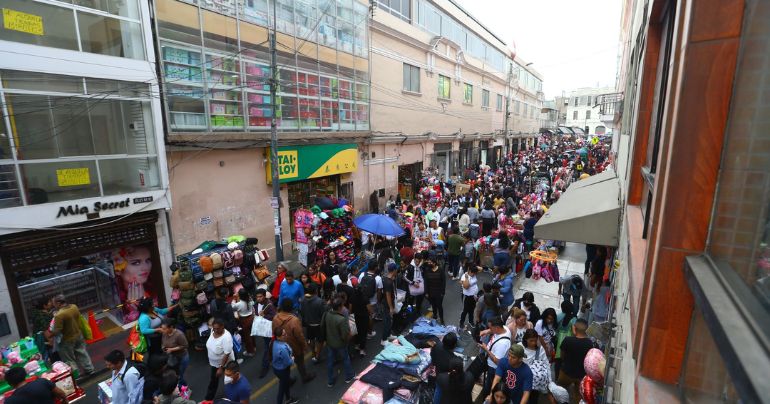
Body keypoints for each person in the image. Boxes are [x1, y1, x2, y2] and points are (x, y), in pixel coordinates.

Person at [50, 294, 94, 378]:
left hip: (67, 339)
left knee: (69, 359)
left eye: (54, 303)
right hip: (78, 334)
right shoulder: (74, 307)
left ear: (59, 303)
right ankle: (89, 369)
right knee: (82, 353)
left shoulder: (59, 315)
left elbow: (57, 330)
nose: (53, 305)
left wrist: (51, 334)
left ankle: (76, 375)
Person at [272, 298, 315, 383]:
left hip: (281, 346)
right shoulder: (294, 320)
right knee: (300, 362)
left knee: (285, 364)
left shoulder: (275, 317)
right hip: (294, 347)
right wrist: (305, 346)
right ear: (291, 308)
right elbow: (300, 336)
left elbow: (274, 331)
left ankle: (288, 380)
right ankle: (304, 377)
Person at [112, 245, 155, 323]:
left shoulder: (155, 287)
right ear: (118, 270)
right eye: (136, 263)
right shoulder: (115, 298)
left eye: (148, 260)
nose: (145, 267)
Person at [557, 319, 595, 404]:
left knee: (559, 391)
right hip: (581, 375)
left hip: (566, 372)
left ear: (574, 328)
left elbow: (562, 356)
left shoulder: (567, 340)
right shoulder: (589, 343)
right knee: (578, 396)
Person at [477, 316, 512, 403]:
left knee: (490, 385)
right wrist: (486, 331)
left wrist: (486, 349)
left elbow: (497, 361)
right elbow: (492, 330)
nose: (489, 329)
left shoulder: (503, 344)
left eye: (490, 327)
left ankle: (488, 399)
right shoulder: (505, 329)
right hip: (491, 365)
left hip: (493, 368)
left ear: (497, 328)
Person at [321, 298, 354, 387]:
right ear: (339, 307)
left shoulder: (327, 314)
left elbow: (322, 326)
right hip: (340, 344)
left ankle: (330, 381)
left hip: (330, 342)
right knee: (346, 359)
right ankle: (349, 376)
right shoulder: (341, 319)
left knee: (330, 361)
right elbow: (345, 335)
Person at [205, 318, 235, 401]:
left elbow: (227, 353)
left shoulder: (226, 338)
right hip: (214, 364)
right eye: (214, 328)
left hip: (225, 364)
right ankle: (208, 399)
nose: (215, 330)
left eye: (217, 328)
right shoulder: (213, 331)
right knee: (213, 381)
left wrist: (221, 368)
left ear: (222, 327)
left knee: (229, 380)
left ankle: (233, 396)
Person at [272, 328, 300, 404]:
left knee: (285, 381)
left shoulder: (275, 342)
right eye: (284, 335)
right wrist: (293, 359)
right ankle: (287, 399)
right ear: (278, 337)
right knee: (283, 387)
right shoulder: (282, 348)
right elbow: (288, 362)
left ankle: (289, 381)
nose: (286, 335)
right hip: (282, 370)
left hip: (277, 368)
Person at [301, 283, 326, 363]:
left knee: (311, 339)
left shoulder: (303, 299)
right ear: (316, 291)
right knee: (320, 340)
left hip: (309, 324)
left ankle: (313, 353)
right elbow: (323, 314)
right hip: (318, 325)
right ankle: (317, 355)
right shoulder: (319, 301)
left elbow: (302, 312)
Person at [160, 318, 189, 386]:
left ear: (171, 327)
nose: (163, 330)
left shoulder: (179, 335)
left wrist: (172, 349)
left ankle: (184, 387)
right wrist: (163, 346)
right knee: (176, 374)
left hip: (182, 357)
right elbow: (163, 342)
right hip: (173, 357)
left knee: (179, 375)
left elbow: (185, 345)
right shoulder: (165, 333)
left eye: (165, 329)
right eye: (162, 328)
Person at [255, 289, 276, 379]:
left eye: (260, 296)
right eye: (257, 297)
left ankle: (265, 366)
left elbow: (273, 317)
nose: (258, 298)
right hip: (263, 330)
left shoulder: (269, 305)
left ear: (264, 296)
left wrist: (264, 316)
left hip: (270, 330)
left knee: (267, 348)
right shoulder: (256, 305)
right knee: (270, 346)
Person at [231, 289, 256, 357]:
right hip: (251, 318)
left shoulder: (239, 304)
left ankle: (251, 352)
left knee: (247, 337)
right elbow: (253, 303)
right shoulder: (250, 300)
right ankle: (254, 347)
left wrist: (234, 299)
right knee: (252, 334)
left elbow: (232, 307)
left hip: (244, 320)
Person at [423, 253, 446, 324]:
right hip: (430, 292)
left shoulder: (440, 270)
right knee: (433, 305)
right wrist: (426, 292)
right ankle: (435, 316)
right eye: (428, 262)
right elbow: (426, 282)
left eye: (430, 262)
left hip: (439, 292)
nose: (429, 263)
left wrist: (442, 292)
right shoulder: (427, 270)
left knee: (439, 306)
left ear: (435, 263)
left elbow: (443, 282)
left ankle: (442, 319)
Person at [380, 263, 398, 346]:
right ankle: (383, 339)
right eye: (396, 270)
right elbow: (388, 295)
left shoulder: (386, 278)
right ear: (394, 270)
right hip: (386, 305)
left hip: (386, 303)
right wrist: (391, 307)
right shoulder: (388, 282)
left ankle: (389, 335)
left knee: (390, 321)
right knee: (387, 321)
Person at [459, 265, 479, 329]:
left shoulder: (473, 273)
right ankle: (461, 323)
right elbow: (466, 287)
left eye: (475, 273)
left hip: (474, 296)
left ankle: (470, 321)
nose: (474, 275)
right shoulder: (464, 276)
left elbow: (480, 268)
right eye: (473, 273)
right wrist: (467, 278)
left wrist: (474, 267)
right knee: (465, 311)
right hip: (467, 297)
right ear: (470, 271)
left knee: (472, 310)